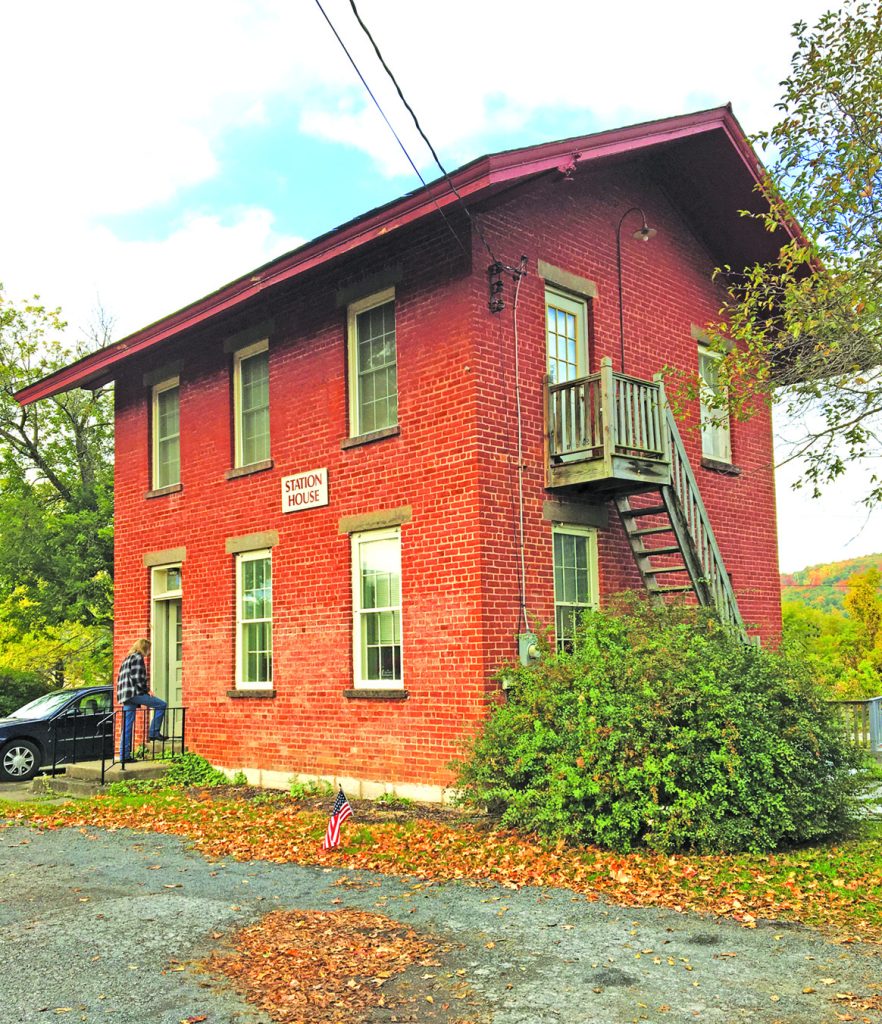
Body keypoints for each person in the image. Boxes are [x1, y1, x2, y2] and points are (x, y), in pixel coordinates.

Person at [116, 639, 167, 761]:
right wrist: (147, 690)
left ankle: (124, 756)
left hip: (125, 695)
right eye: (149, 649)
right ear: (144, 648)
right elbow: (138, 678)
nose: (149, 652)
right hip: (134, 693)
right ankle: (154, 732)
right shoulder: (138, 658)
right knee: (161, 704)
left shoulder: (127, 658)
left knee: (127, 726)